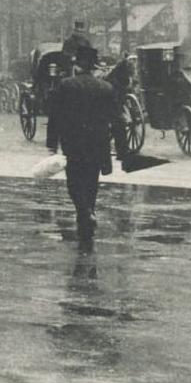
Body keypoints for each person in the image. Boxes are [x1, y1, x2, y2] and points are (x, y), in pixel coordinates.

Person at [48, 46, 126, 242]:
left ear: (77, 65)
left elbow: (55, 115)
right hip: (98, 141)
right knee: (92, 179)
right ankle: (88, 210)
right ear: (93, 67)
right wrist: (123, 147)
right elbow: (117, 119)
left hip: (73, 141)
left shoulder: (66, 86)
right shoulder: (106, 88)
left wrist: (52, 142)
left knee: (74, 179)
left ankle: (84, 211)